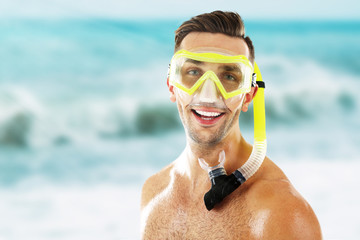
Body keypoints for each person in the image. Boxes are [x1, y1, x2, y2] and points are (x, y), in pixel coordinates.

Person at [140, 10, 322, 239]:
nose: (208, 95)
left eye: (228, 77)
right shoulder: (153, 192)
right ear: (171, 86)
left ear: (248, 95)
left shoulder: (279, 210)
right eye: (193, 72)